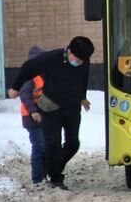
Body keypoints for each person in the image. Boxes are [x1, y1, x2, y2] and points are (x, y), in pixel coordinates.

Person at [8, 37, 95, 190]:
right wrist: (15, 88)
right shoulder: (51, 58)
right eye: (78, 59)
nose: (80, 62)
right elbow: (28, 67)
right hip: (51, 106)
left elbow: (83, 78)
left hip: (72, 107)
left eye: (83, 60)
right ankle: (56, 179)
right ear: (69, 51)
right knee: (53, 143)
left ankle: (50, 167)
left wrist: (82, 97)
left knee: (73, 143)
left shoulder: (83, 61)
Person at [17, 46, 46, 185]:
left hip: (42, 116)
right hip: (31, 117)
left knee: (45, 146)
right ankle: (37, 178)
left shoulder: (42, 75)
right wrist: (33, 111)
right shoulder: (29, 76)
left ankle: (43, 176)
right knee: (39, 146)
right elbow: (24, 94)